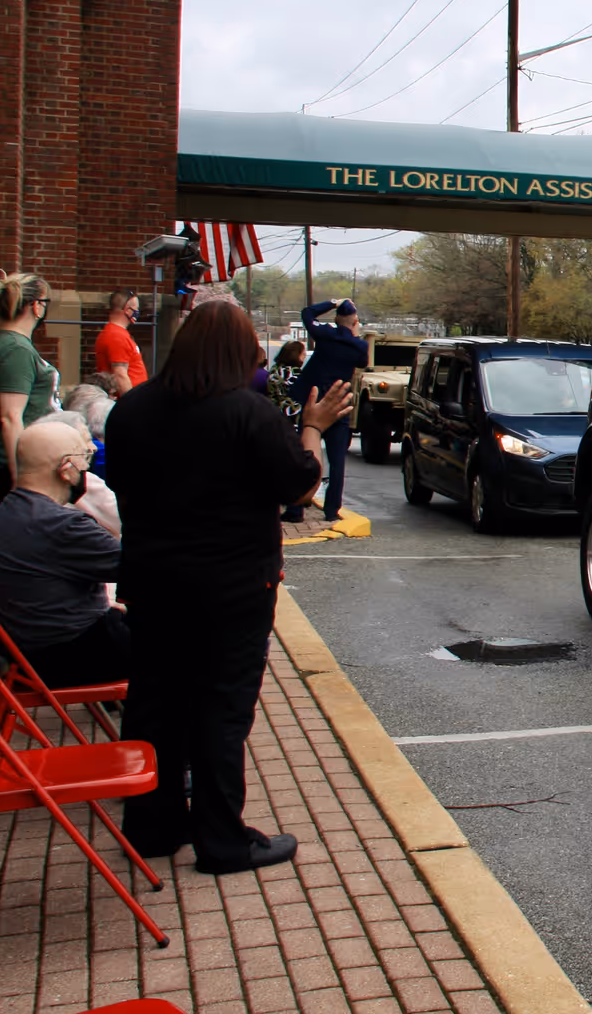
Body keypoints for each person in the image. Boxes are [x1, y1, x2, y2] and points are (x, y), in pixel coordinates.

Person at [107, 299, 351, 875]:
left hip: (151, 580)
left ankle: (152, 825)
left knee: (153, 700)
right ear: (244, 353)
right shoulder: (248, 412)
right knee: (220, 707)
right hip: (232, 586)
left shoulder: (132, 411)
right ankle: (222, 839)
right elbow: (297, 486)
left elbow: (121, 486)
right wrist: (313, 429)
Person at [0, 419, 127, 686]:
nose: (86, 469)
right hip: (72, 657)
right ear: (66, 468)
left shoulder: (6, 513)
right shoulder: (63, 525)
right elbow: (148, 568)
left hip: (23, 661)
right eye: (84, 458)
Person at [287, 300, 366, 522]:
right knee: (337, 460)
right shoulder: (359, 346)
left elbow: (307, 313)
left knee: (305, 454)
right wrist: (355, 334)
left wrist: (331, 303)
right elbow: (362, 362)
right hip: (338, 405)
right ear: (355, 321)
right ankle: (332, 509)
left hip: (314, 404)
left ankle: (296, 509)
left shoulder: (324, 335)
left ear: (335, 320)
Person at [0, 273, 60, 499]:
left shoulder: (14, 345)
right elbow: (10, 417)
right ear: (36, 306)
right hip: (10, 467)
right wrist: (19, 480)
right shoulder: (17, 349)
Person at [94, 289, 147, 394]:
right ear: (127, 310)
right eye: (136, 308)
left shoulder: (117, 334)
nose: (137, 312)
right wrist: (131, 403)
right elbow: (120, 375)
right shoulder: (116, 336)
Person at [266, 339, 305, 421]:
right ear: (296, 355)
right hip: (292, 415)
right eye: (303, 354)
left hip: (273, 414)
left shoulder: (274, 370)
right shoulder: (294, 373)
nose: (304, 356)